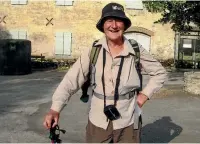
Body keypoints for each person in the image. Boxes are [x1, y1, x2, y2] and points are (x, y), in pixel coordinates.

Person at [43, 2, 167, 143]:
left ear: (124, 25)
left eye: (118, 20)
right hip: (98, 121)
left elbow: (160, 73)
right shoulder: (93, 50)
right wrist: (55, 109)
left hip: (129, 120)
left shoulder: (135, 50)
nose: (114, 25)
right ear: (103, 25)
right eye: (109, 20)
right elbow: (71, 80)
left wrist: (144, 95)